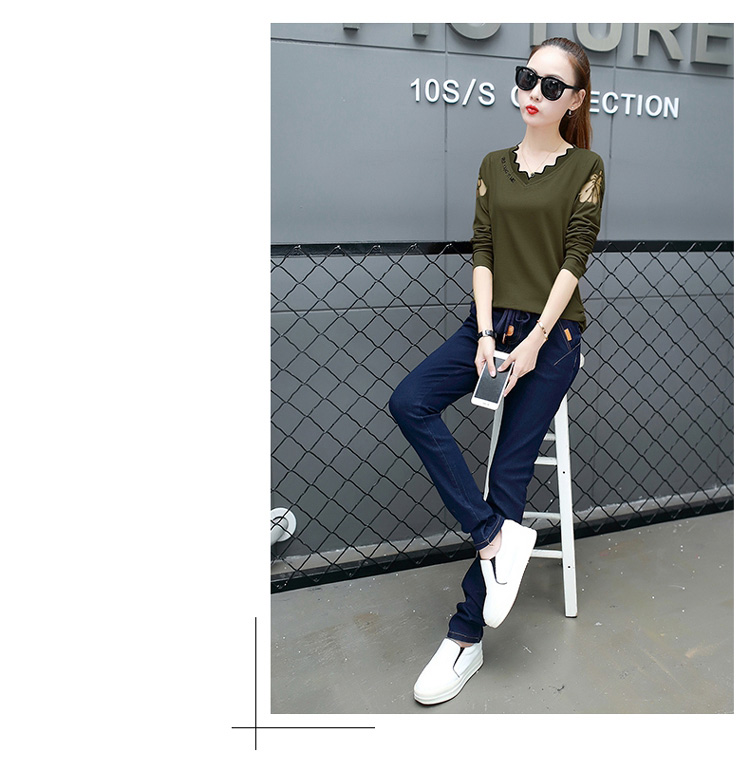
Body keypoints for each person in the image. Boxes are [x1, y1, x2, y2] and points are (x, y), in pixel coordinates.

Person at [388, 37, 605, 706]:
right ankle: (492, 536)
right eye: (527, 78)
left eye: (551, 86)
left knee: (507, 472)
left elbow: (575, 259)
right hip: (489, 324)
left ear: (575, 100)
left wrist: (535, 340)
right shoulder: (492, 164)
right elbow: (482, 249)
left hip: (552, 335)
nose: (534, 93)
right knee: (410, 400)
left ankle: (465, 637)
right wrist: (484, 333)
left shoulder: (586, 166)